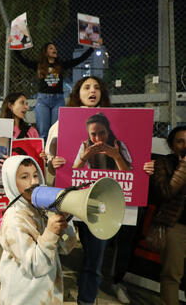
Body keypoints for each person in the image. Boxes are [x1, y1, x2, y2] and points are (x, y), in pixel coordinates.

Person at [45, 76, 155, 305]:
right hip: (70, 203)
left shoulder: (119, 145)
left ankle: (86, 301)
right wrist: (55, 162)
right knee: (51, 254)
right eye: (86, 87)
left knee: (93, 263)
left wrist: (140, 166)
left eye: (97, 87)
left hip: (101, 205)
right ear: (78, 93)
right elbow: (58, 168)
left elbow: (131, 172)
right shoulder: (64, 126)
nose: (92, 91)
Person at [0, 155, 77, 304]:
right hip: (23, 299)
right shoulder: (14, 220)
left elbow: (66, 247)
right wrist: (50, 232)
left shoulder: (39, 209)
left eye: (35, 175)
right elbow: (36, 266)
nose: (34, 182)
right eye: (24, 177)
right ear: (11, 183)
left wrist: (64, 221)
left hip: (45, 297)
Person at [13, 42, 95, 140]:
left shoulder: (61, 65)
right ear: (45, 52)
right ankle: (44, 154)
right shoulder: (39, 65)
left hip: (58, 100)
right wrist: (14, 47)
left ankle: (54, 154)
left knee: (56, 131)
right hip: (43, 100)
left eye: (55, 48)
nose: (54, 50)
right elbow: (23, 60)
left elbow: (79, 60)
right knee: (43, 131)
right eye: (51, 48)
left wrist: (92, 48)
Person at [150, 126, 186, 305]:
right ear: (172, 146)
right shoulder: (163, 163)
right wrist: (184, 166)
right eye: (180, 141)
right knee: (172, 275)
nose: (185, 145)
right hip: (175, 227)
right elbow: (166, 193)